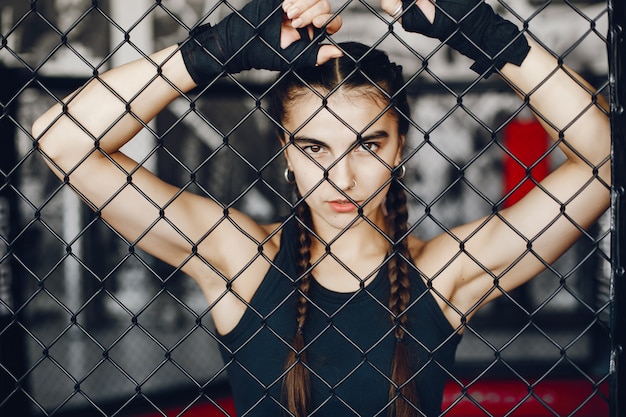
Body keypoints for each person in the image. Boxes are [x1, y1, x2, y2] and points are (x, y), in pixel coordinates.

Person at [31, 0, 610, 415]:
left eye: (368, 144)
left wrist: (477, 27)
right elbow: (60, 141)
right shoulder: (241, 261)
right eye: (315, 148)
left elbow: (605, 163)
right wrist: (215, 50)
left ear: (400, 149)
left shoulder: (443, 273)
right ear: (286, 150)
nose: (343, 176)